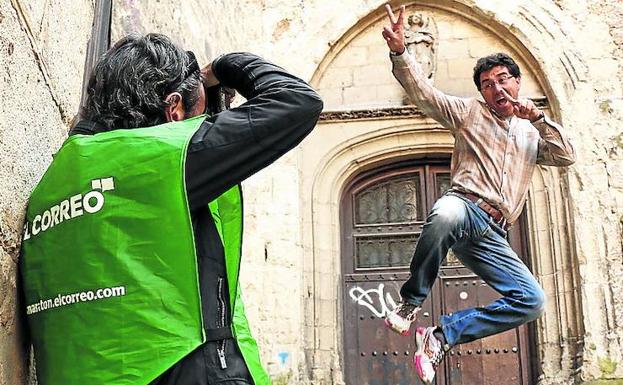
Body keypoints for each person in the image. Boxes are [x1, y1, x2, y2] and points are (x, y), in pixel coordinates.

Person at [20, 33, 323, 385]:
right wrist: (224, 66)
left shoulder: (60, 176)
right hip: (183, 369)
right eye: (199, 113)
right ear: (174, 108)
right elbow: (297, 102)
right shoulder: (169, 159)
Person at [381, 5, 575, 384]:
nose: (497, 88)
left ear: (517, 83)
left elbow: (566, 156)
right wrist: (400, 51)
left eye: (503, 79)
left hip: (493, 232)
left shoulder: (532, 135)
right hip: (465, 206)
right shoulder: (469, 112)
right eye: (487, 84)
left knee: (531, 301)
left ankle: (440, 336)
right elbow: (423, 93)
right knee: (446, 214)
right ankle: (410, 304)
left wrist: (537, 117)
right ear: (482, 92)